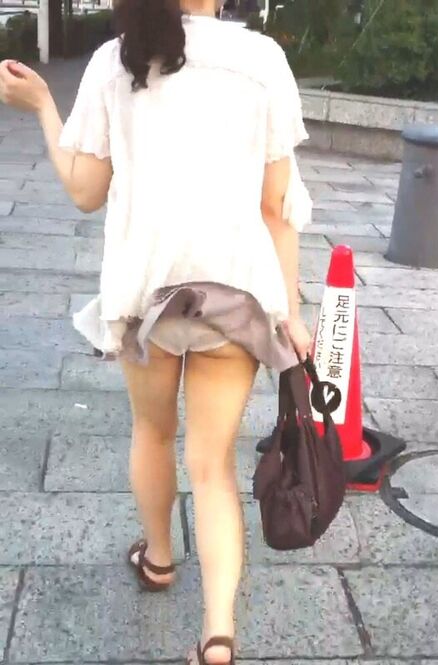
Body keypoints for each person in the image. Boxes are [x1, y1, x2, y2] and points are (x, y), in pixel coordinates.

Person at [0, 1, 312, 662]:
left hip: (148, 295)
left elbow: (85, 190)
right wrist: (290, 310)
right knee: (213, 464)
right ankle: (218, 633)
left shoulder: (116, 60)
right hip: (234, 292)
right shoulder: (263, 62)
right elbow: (276, 206)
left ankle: (160, 558)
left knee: (152, 431)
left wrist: (43, 107)